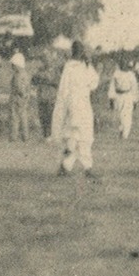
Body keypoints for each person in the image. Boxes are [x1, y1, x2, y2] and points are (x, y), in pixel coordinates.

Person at [51, 40, 100, 178]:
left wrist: (89, 65)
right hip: (72, 106)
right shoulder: (69, 67)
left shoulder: (86, 65)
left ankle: (68, 166)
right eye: (77, 50)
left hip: (84, 105)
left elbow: (94, 83)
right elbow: (64, 90)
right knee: (73, 137)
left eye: (81, 49)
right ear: (74, 51)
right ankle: (81, 167)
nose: (80, 52)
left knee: (84, 137)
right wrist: (65, 108)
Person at [109, 60, 139, 140]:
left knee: (127, 115)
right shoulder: (116, 74)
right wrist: (111, 98)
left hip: (128, 95)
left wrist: (135, 100)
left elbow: (134, 88)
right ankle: (121, 129)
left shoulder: (131, 75)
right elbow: (112, 86)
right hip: (118, 95)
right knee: (120, 114)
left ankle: (125, 134)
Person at [9, 51, 36, 142]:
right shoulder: (25, 74)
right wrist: (26, 95)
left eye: (13, 65)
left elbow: (19, 87)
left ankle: (14, 136)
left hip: (17, 97)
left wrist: (21, 93)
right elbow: (27, 86)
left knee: (15, 117)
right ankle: (25, 136)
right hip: (24, 97)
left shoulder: (18, 75)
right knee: (23, 116)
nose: (12, 67)